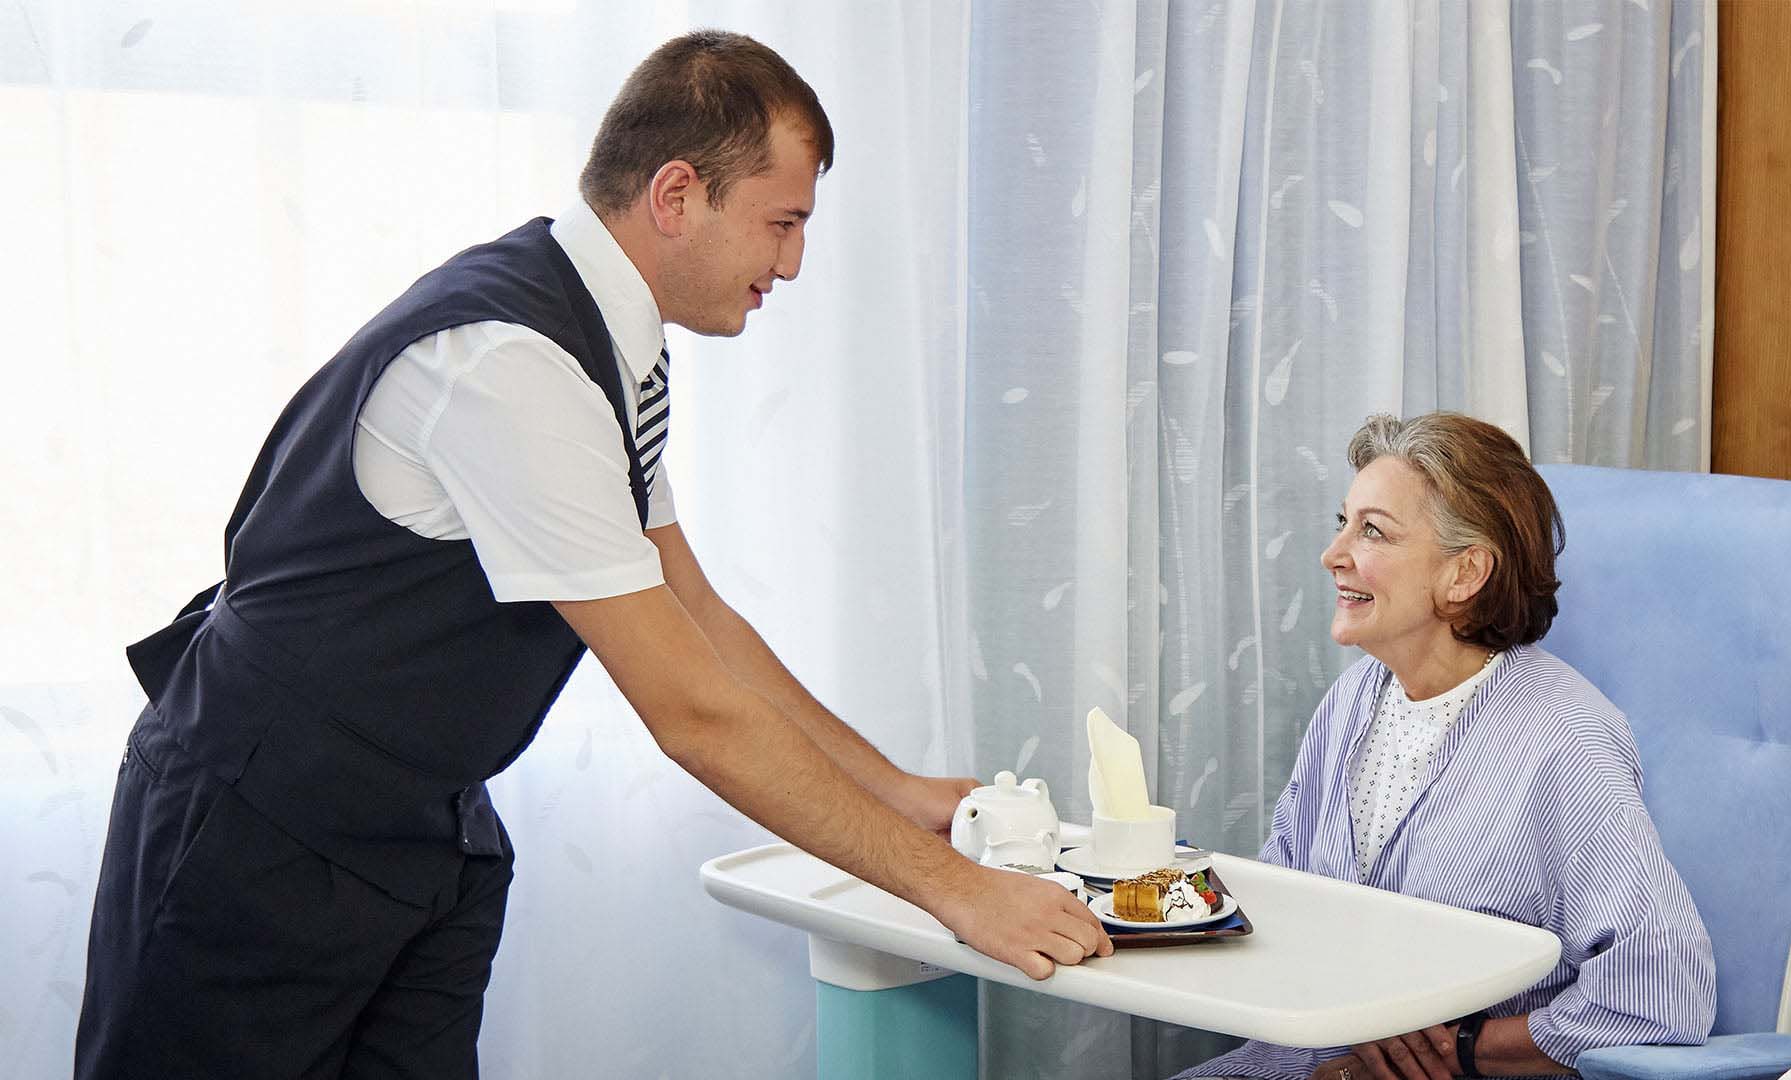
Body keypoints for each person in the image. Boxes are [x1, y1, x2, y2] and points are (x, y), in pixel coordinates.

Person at [75, 29, 1109, 1079]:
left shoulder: (603, 351)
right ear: (675, 195)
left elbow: (696, 618)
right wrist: (957, 891)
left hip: (421, 832)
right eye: (782, 222)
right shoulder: (514, 367)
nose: (791, 263)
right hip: (261, 831)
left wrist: (898, 791)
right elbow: (692, 712)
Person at [1180, 413, 1714, 1080]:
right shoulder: (1351, 703)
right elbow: (1283, 898)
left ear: (1465, 575)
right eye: (1341, 522)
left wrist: (1461, 1049)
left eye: (1372, 530)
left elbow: (1661, 992)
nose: (1333, 553)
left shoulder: (1563, 741)